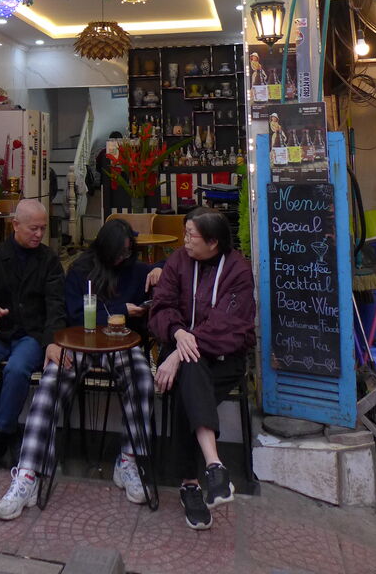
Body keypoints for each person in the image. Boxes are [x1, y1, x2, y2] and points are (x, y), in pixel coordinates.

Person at [0, 218, 161, 520]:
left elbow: (172, 266)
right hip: (80, 342)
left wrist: (160, 269)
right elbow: (72, 314)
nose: (124, 258)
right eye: (119, 253)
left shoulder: (135, 269)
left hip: (121, 344)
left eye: (128, 252)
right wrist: (119, 311)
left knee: (142, 378)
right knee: (51, 382)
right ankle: (28, 474)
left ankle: (129, 460)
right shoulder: (82, 271)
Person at [149, 206, 255, 530]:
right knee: (191, 371)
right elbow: (161, 307)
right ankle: (213, 466)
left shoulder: (238, 271)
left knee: (187, 374)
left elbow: (228, 326)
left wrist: (178, 354)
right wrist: (178, 334)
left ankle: (190, 484)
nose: (184, 240)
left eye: (190, 235)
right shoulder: (179, 261)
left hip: (224, 359)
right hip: (184, 350)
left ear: (213, 242)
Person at [0, 198, 66, 475]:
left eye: (43, 228)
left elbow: (56, 306)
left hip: (31, 334)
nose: (39, 234)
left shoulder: (49, 260)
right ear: (15, 225)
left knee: (18, 370)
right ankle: (7, 434)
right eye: (33, 228)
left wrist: (52, 341)